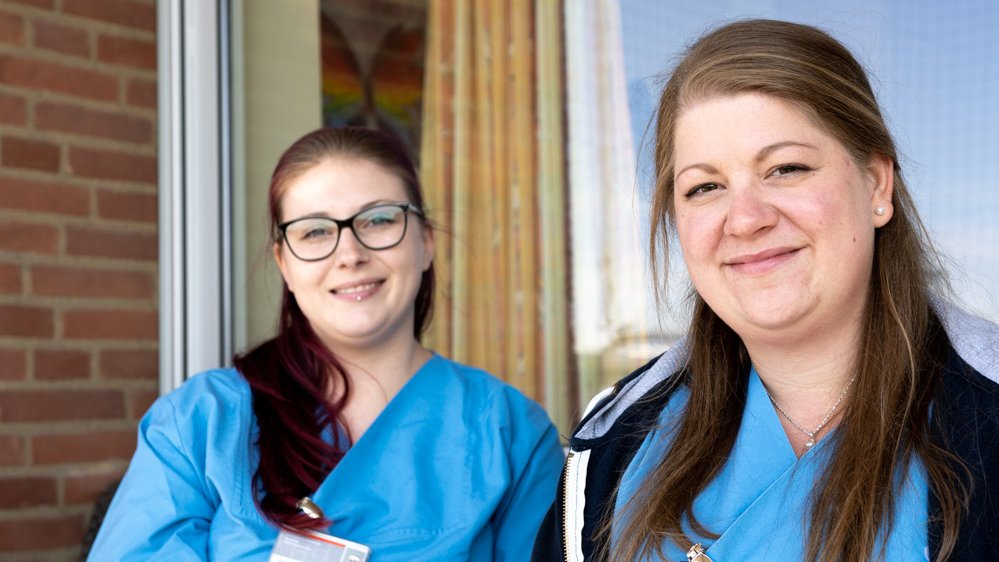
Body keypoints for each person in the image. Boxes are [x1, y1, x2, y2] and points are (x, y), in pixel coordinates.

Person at [532, 18, 999, 562]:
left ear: (876, 185)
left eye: (785, 168)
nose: (745, 218)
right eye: (705, 187)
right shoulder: (614, 448)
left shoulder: (987, 425)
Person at [90, 126, 565, 561]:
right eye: (315, 231)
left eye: (378, 220)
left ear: (425, 241)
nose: (350, 254)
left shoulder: (511, 434)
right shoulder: (201, 421)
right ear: (284, 264)